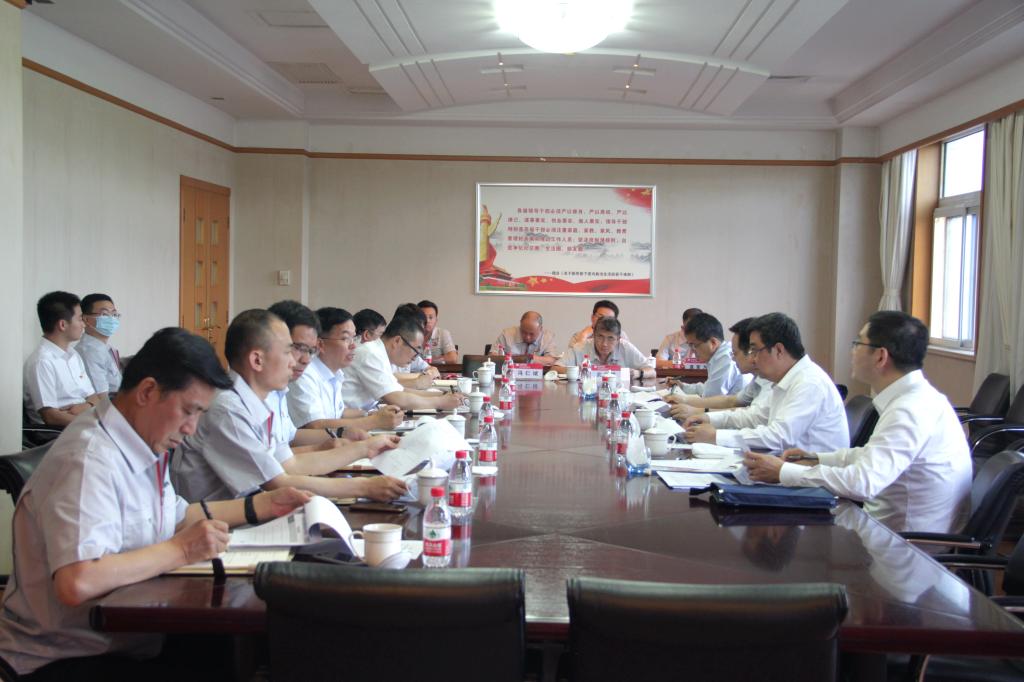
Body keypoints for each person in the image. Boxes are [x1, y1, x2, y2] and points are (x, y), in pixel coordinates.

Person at [0, 327, 312, 679]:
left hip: (130, 633)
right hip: (66, 655)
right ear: (147, 391)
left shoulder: (140, 439)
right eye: (189, 411)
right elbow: (77, 581)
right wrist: (182, 550)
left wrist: (265, 505)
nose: (191, 428)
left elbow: (177, 516)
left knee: (253, 646)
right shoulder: (89, 460)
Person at [744, 311, 972, 534]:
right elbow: (871, 455)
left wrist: (784, 471)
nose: (852, 351)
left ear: (880, 356)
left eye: (857, 343)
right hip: (882, 528)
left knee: (770, 526)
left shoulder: (910, 410)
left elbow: (863, 482)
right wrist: (815, 459)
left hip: (902, 544)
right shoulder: (916, 399)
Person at [171, 309, 407, 503]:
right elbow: (278, 482)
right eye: (289, 351)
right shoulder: (229, 408)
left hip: (253, 510)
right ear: (257, 360)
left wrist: (366, 447)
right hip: (224, 526)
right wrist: (365, 487)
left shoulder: (261, 398)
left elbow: (289, 463)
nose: (297, 361)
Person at [683, 312, 848, 452]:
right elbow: (756, 417)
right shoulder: (785, 379)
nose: (752, 359)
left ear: (778, 350)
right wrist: (708, 418)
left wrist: (716, 436)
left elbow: (778, 437)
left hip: (808, 476)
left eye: (755, 350)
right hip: (786, 466)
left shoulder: (809, 383)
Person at [267, 300, 400, 463]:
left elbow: (290, 438)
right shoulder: (300, 376)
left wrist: (342, 433)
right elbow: (313, 426)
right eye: (297, 348)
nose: (305, 359)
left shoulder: (280, 390)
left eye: (310, 350)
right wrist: (371, 423)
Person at [285, 306, 404, 433]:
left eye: (354, 338)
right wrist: (374, 421)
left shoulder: (336, 372)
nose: (353, 345)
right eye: (345, 339)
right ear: (320, 344)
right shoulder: (303, 374)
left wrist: (371, 414)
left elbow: (339, 412)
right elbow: (315, 426)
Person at [343, 311, 464, 411]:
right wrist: (440, 402)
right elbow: (398, 399)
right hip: (348, 422)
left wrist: (443, 395)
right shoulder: (370, 354)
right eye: (415, 350)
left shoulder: (379, 352)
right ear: (397, 341)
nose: (416, 357)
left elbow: (400, 390)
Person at [669, 317, 771, 420]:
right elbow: (730, 400)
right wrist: (685, 398)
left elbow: (750, 415)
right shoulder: (759, 379)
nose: (733, 358)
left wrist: (697, 411)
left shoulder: (725, 358)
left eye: (694, 345)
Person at [23, 291, 100, 427]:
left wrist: (86, 406)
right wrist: (94, 425)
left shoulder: (73, 355)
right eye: (80, 319)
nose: (84, 324)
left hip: (82, 423)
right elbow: (51, 417)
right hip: (58, 432)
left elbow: (94, 398)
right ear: (63, 325)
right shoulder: (42, 361)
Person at [671, 312, 748, 397]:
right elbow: (708, 388)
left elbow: (711, 398)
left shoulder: (725, 358)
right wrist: (682, 386)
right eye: (690, 345)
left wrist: (683, 400)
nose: (692, 350)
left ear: (713, 343)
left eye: (694, 345)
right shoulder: (717, 356)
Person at [556, 317, 654, 381]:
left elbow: (652, 371)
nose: (604, 344)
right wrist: (576, 371)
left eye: (610, 338)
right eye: (600, 337)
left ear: (618, 339)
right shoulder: (580, 347)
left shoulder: (625, 348)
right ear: (594, 335)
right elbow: (555, 368)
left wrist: (638, 373)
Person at [75, 293, 124, 396]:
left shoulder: (105, 348)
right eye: (104, 314)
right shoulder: (88, 351)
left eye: (114, 314)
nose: (111, 319)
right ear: (86, 319)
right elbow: (100, 397)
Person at [494, 311, 560, 366]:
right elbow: (493, 357)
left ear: (540, 329)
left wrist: (528, 358)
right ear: (520, 324)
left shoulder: (547, 337)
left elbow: (552, 360)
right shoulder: (506, 334)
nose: (527, 337)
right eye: (524, 332)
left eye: (531, 334)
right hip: (509, 373)